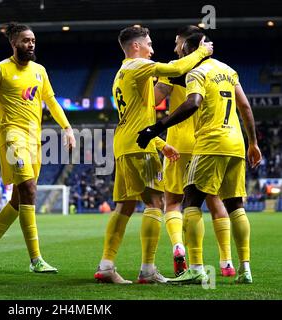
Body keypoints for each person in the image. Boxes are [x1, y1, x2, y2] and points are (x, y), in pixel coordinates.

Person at [137, 32, 261, 284]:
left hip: (205, 142)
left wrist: (157, 127)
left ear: (190, 50)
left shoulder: (192, 72)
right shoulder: (229, 70)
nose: (177, 52)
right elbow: (245, 107)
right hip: (236, 143)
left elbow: (190, 103)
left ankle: (194, 266)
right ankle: (241, 266)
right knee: (233, 204)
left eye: (180, 48)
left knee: (186, 202)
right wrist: (254, 143)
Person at [93, 25, 213, 284]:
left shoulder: (121, 73)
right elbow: (176, 69)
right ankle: (147, 270)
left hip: (125, 145)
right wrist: (202, 51)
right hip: (140, 149)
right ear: (136, 46)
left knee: (124, 205)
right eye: (149, 44)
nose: (152, 49)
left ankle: (106, 266)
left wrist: (160, 143)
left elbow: (137, 119)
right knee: (155, 204)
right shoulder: (137, 66)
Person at [0, 22, 76, 273]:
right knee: (28, 189)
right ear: (13, 43)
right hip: (12, 138)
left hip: (34, 140)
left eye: (33, 41)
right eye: (26, 40)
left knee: (19, 200)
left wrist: (67, 128)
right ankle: (35, 259)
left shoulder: (40, 70)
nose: (31, 44)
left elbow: (51, 100)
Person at [154, 26, 236, 277]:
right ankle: (227, 262)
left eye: (178, 43)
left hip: (177, 143)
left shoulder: (175, 68)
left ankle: (179, 248)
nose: (175, 48)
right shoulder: (216, 69)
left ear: (189, 45)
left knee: (173, 202)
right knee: (214, 201)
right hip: (205, 143)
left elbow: (154, 99)